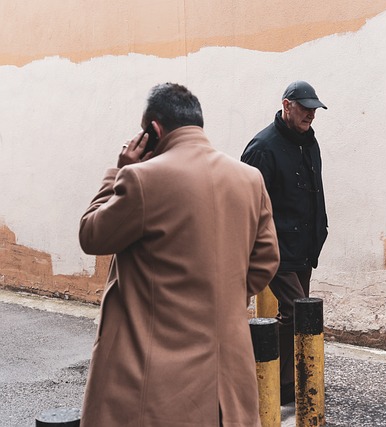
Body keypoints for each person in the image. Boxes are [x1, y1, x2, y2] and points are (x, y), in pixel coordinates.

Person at [79, 83, 279, 427]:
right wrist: (221, 291)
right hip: (228, 375)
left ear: (153, 130)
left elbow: (92, 234)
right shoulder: (249, 179)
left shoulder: (141, 179)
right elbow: (266, 260)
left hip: (157, 378)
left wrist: (117, 171)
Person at [241, 80, 328, 404]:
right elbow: (246, 200)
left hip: (304, 246)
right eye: (304, 108)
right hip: (274, 247)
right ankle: (254, 369)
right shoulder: (263, 147)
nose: (310, 115)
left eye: (314, 109)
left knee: (297, 317)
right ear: (286, 105)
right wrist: (252, 247)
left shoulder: (309, 143)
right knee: (297, 312)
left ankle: (285, 385)